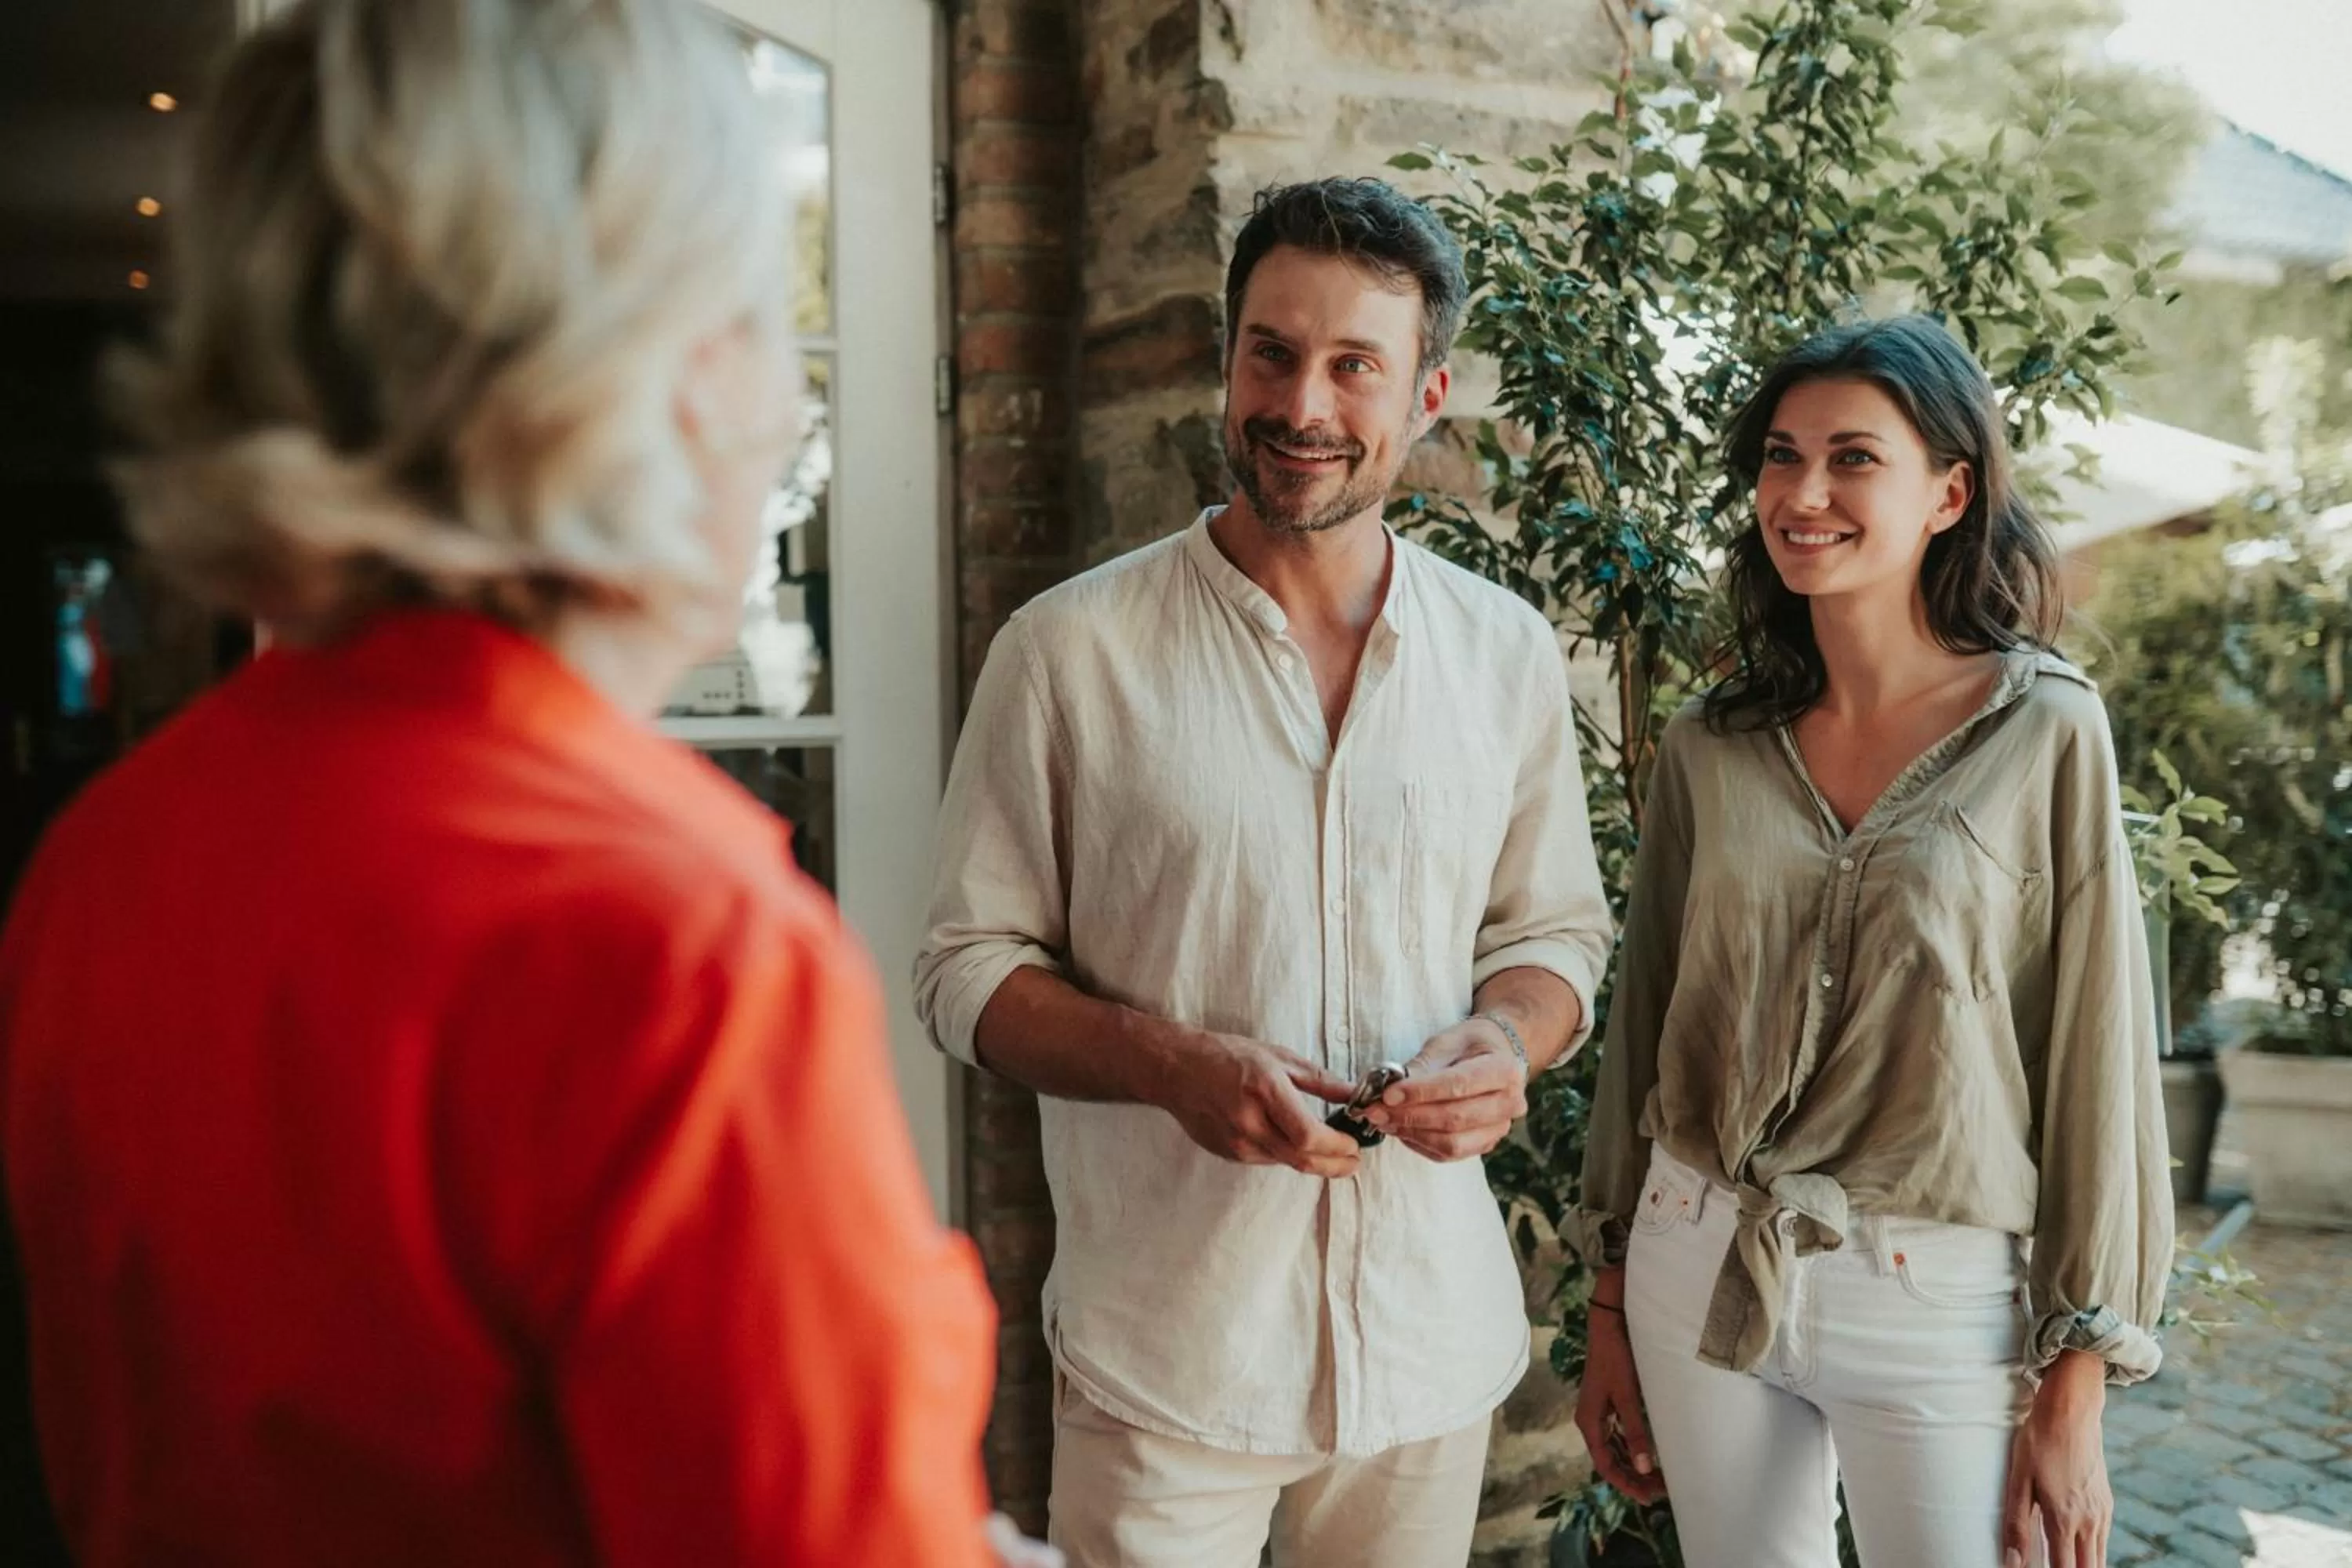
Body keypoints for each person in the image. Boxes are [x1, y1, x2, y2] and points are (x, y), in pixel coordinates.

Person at [0, 2, 1028, 1563]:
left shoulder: (103, 858)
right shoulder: (673, 942)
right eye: (753, 316)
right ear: (643, 370)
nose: (785, 406)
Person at [915, 176, 1615, 1567]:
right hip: (1168, 1351)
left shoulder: (1506, 654)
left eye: (1356, 365)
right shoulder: (1067, 654)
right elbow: (961, 971)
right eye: (1271, 352)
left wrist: (1508, 1039)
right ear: (1228, 356)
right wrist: (1169, 1063)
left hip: (1424, 1346)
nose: (1303, 405)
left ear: (1428, 396)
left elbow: (1557, 934)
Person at [1570, 314, 2174, 1568]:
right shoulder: (1711, 740)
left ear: (1951, 492)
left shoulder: (2046, 731)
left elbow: (2099, 1063)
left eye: (1854, 458)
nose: (1804, 493)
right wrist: (1613, 1304)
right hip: (1702, 1252)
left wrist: (2078, 1376)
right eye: (1781, 458)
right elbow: (1644, 1028)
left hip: (1940, 1294)